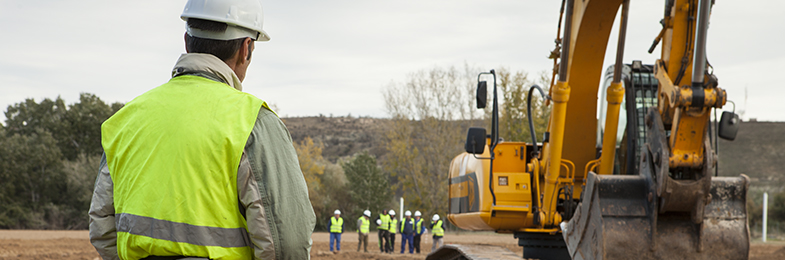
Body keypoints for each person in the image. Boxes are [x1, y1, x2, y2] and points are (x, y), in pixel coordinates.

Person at [87, 0, 316, 259]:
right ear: (246, 48)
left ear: (187, 40)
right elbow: (288, 244)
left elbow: (103, 226)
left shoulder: (124, 120)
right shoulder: (253, 122)